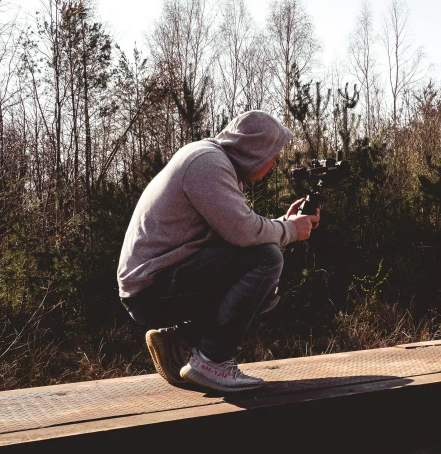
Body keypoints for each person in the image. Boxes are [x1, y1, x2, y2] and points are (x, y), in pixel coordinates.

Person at [117, 110, 319, 393]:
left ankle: (180, 342)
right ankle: (213, 360)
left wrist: (284, 225)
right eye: (273, 154)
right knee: (267, 258)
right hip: (150, 290)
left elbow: (236, 231)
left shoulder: (215, 161)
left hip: (159, 282)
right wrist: (289, 230)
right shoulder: (207, 163)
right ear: (253, 150)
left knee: (264, 287)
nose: (275, 163)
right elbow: (244, 232)